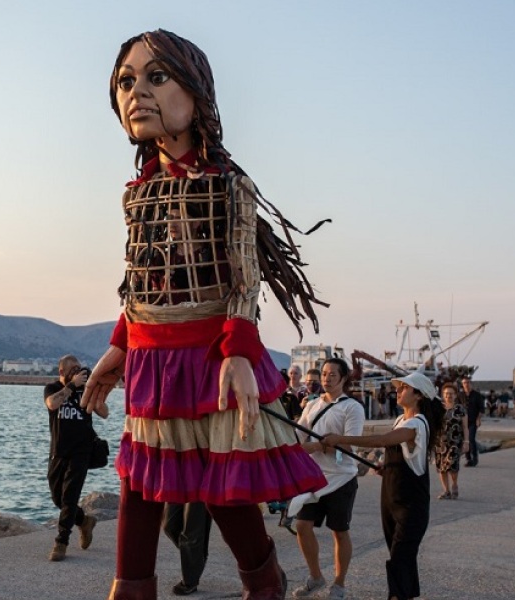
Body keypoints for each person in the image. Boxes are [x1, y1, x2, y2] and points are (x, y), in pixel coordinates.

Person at [81, 29, 328, 599]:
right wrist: (119, 345)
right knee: (141, 481)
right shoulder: (136, 194)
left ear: (196, 94)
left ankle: (265, 582)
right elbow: (139, 282)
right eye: (125, 81)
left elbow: (244, 275)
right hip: (150, 357)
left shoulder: (229, 185)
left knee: (221, 485)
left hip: (212, 351)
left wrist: (238, 352)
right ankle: (131, 589)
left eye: (156, 76)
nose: (136, 92)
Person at [321, 371, 444, 600]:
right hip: (390, 496)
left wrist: (340, 439)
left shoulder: (418, 423)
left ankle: (397, 596)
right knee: (400, 555)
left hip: (411, 504)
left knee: (401, 555)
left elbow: (381, 440)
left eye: (404, 388)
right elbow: (396, 452)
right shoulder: (400, 420)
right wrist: (383, 466)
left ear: (418, 395)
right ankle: (402, 595)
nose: (397, 391)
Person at [288, 358, 365, 600]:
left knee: (339, 531)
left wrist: (319, 446)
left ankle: (339, 584)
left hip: (341, 478)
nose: (327, 378)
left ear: (344, 378)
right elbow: (298, 434)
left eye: (333, 374)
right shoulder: (312, 405)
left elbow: (351, 444)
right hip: (313, 477)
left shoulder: (352, 407)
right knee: (302, 526)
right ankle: (316, 577)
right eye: (324, 374)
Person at [44, 355, 109, 562]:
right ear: (62, 372)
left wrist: (93, 390)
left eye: (78, 368)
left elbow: (104, 413)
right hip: (58, 451)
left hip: (81, 451)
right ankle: (85, 521)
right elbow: (52, 405)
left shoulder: (86, 389)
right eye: (72, 369)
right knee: (58, 498)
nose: (77, 372)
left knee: (70, 497)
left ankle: (61, 542)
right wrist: (72, 385)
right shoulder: (54, 388)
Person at [162, 502, 213, 596]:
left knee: (192, 530)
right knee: (169, 525)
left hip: (199, 488)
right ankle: (197, 557)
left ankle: (190, 581)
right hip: (177, 486)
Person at [435, 383, 469, 500]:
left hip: (455, 442)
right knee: (441, 467)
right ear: (443, 395)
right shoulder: (438, 408)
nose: (448, 396)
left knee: (452, 465)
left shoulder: (460, 409)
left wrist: (466, 441)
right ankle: (446, 491)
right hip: (440, 442)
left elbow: (465, 427)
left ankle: (454, 484)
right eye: (446, 394)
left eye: (451, 394)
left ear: (455, 395)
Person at [461, 378, 484, 467]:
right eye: (464, 383)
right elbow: (456, 407)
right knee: (464, 440)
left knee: (471, 439)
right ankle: (468, 459)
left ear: (471, 383)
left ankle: (475, 458)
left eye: (467, 382)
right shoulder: (460, 395)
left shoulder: (477, 395)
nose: (466, 384)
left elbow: (481, 409)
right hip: (463, 422)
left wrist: (478, 419)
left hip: (473, 421)